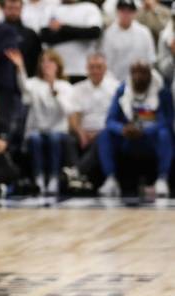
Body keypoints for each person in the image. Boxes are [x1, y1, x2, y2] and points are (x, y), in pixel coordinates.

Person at [97, 61, 173, 197]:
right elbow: (110, 120)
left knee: (165, 134)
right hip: (128, 138)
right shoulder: (122, 90)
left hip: (150, 139)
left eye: (142, 73)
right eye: (135, 73)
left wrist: (144, 130)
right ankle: (110, 179)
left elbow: (166, 121)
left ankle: (162, 179)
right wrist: (122, 129)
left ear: (150, 74)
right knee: (105, 135)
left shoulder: (161, 91)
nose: (138, 77)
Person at [8, 48, 73, 195]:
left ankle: (54, 178)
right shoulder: (34, 83)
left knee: (54, 139)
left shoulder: (65, 86)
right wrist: (20, 68)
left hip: (58, 130)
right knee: (36, 139)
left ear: (58, 65)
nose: (46, 65)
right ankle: (39, 178)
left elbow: (67, 110)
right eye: (43, 62)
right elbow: (24, 88)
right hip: (36, 130)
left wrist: (53, 90)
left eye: (50, 61)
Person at [67, 53, 119, 186]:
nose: (95, 71)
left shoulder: (115, 87)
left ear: (105, 68)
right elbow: (73, 116)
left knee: (103, 138)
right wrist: (80, 132)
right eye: (92, 67)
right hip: (84, 132)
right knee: (67, 139)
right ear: (86, 68)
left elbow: (117, 117)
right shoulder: (77, 88)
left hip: (106, 131)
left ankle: (76, 172)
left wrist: (98, 134)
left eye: (99, 67)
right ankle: (78, 178)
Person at [40, 0, 102, 83]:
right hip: (57, 72)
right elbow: (45, 37)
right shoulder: (50, 9)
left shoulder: (89, 8)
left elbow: (94, 33)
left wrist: (62, 28)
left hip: (82, 70)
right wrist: (78, 34)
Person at [101, 0, 156, 83]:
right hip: (115, 83)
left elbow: (150, 60)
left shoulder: (144, 32)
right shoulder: (108, 34)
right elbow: (106, 63)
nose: (126, 14)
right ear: (117, 11)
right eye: (123, 10)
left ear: (135, 12)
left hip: (140, 83)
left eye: (129, 11)